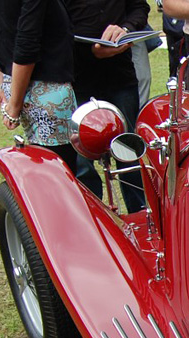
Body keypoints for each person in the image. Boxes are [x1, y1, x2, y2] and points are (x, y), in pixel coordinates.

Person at [69, 0, 151, 212]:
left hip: (120, 75)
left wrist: (126, 30)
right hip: (77, 78)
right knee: (82, 159)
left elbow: (139, 8)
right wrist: (90, 50)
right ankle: (90, 217)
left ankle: (141, 215)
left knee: (129, 151)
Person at [0, 0, 78, 173]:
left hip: (22, 83)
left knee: (45, 171)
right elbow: (26, 44)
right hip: (49, 92)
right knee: (58, 178)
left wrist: (6, 86)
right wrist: (14, 105)